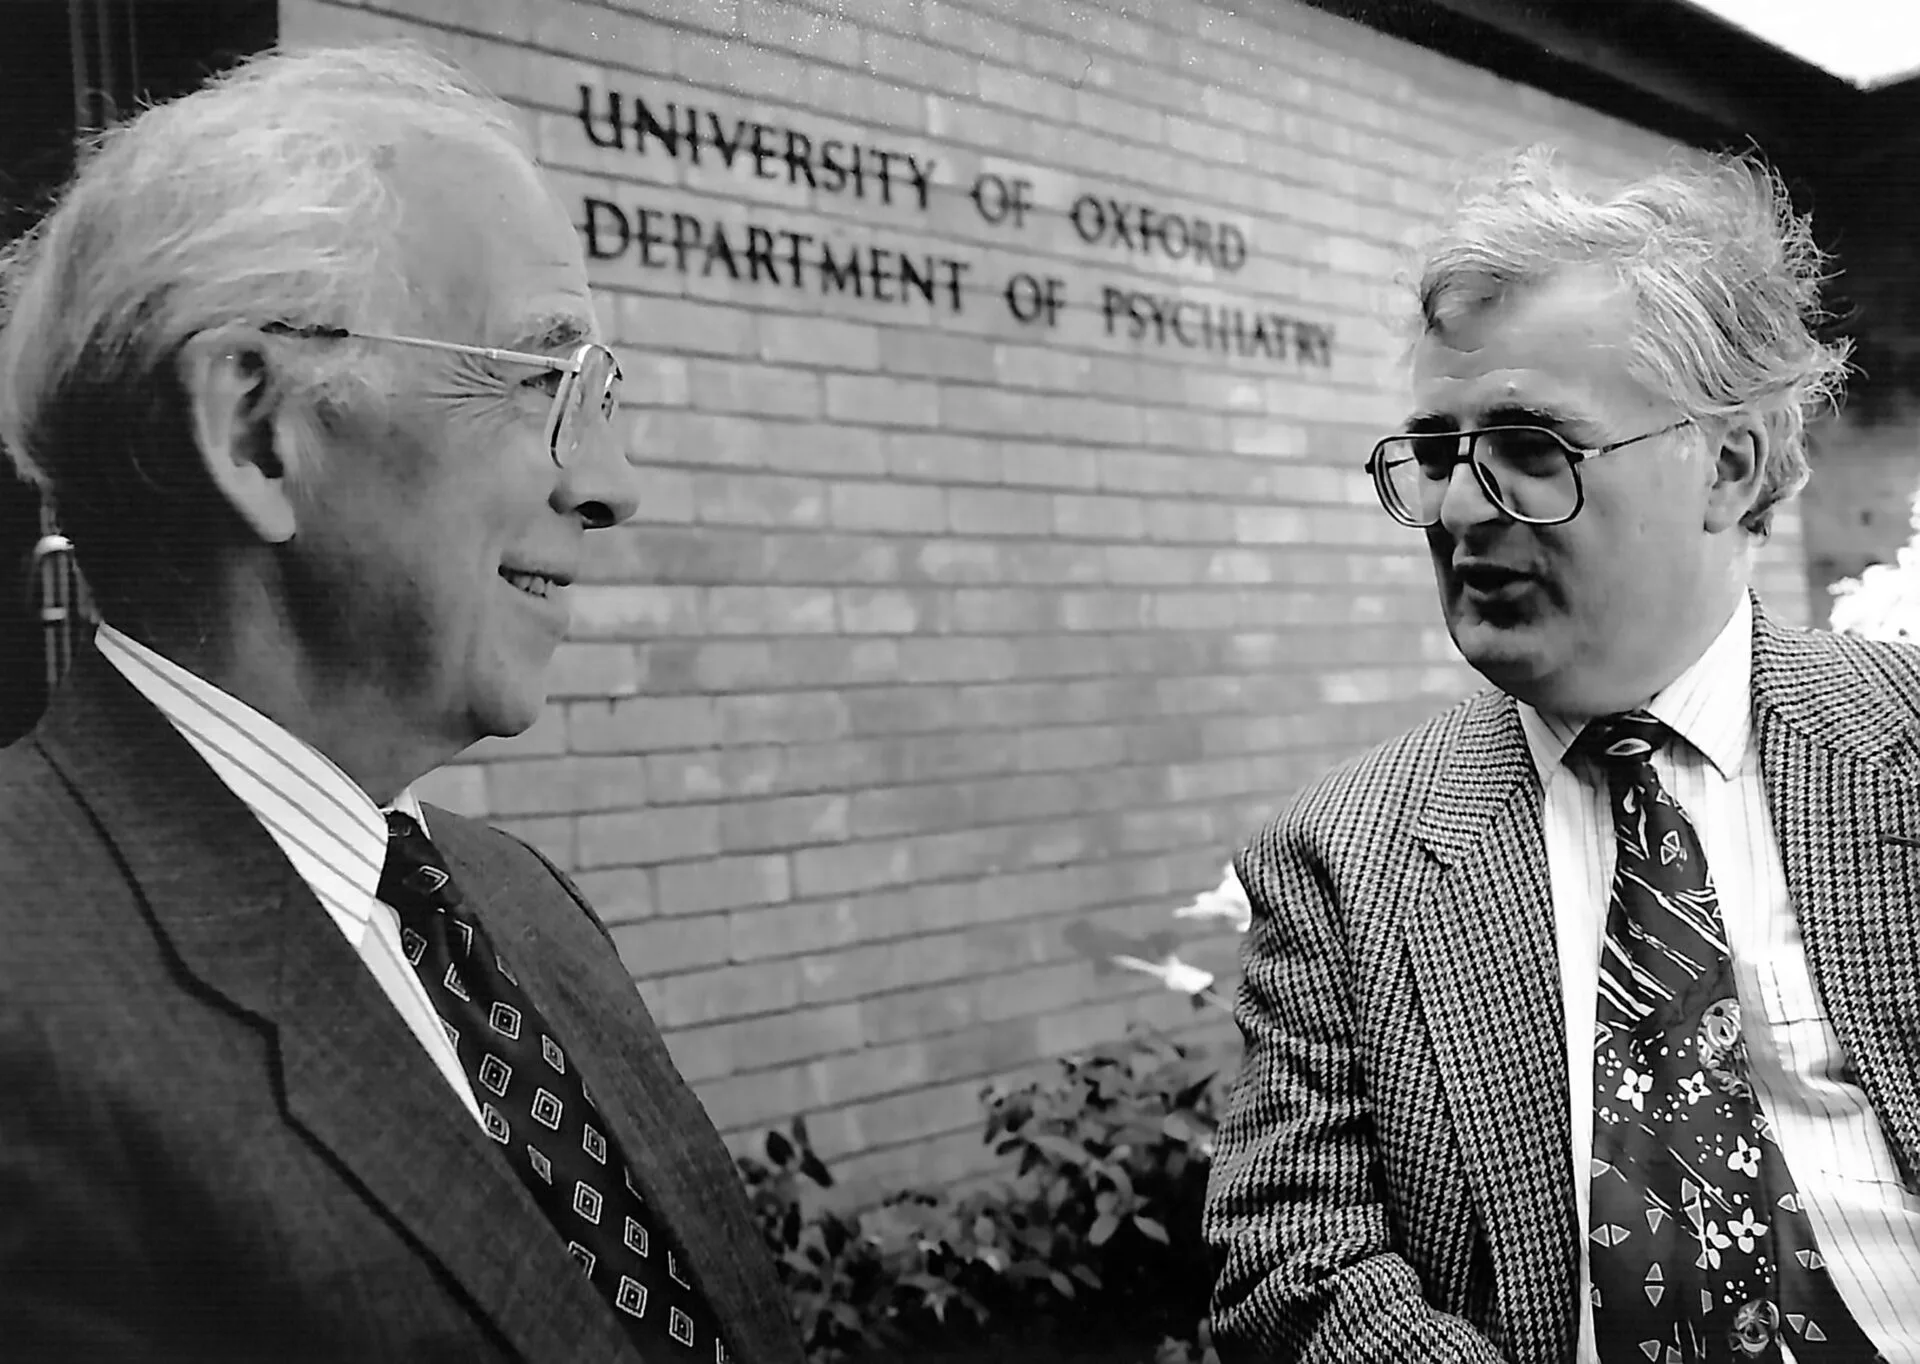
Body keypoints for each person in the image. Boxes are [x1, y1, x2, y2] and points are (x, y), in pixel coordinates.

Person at [0, 44, 802, 1364]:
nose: (611, 483)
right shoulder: (25, 1006)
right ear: (259, 429)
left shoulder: (522, 906)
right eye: (544, 379)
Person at [1204, 147, 1920, 1363]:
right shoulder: (1340, 856)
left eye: (1535, 445)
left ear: (1728, 463)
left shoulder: (1899, 745)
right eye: (1438, 455)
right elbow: (1290, 1261)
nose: (1465, 509)